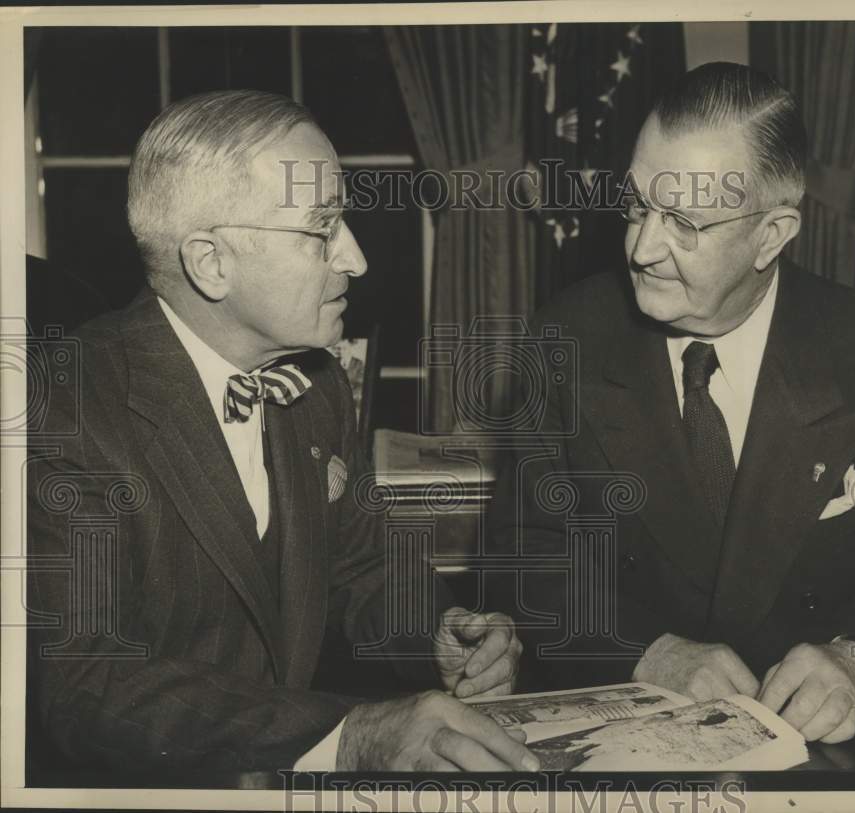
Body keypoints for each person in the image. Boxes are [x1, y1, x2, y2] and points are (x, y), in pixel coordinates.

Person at [27, 90, 537, 775]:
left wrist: (438, 635)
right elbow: (89, 683)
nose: (354, 258)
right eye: (319, 228)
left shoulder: (318, 383)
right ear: (211, 262)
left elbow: (361, 565)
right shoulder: (63, 410)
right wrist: (349, 733)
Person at [489, 62, 855, 745]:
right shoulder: (564, 337)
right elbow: (528, 556)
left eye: (684, 222)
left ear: (771, 235)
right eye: (637, 204)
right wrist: (646, 651)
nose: (641, 247)